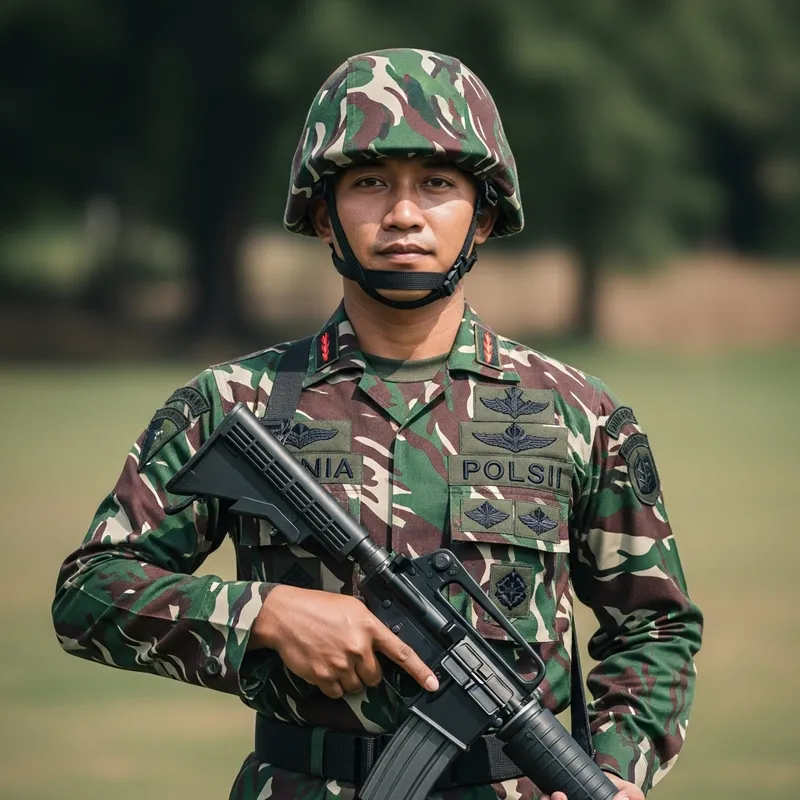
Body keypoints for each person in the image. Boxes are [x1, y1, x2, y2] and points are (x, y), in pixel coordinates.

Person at [52, 48, 703, 800]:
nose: (402, 214)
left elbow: (655, 630)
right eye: (368, 183)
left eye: (435, 183)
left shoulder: (576, 414)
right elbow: (88, 591)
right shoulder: (233, 403)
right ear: (323, 216)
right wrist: (264, 614)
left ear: (484, 214)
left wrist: (618, 772)